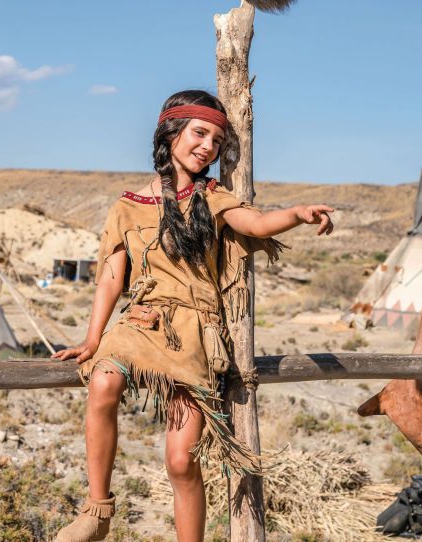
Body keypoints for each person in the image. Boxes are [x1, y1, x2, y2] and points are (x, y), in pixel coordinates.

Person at [51, 89, 334, 542]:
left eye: (217, 142)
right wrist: (91, 338)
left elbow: (257, 224)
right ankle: (97, 510)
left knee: (181, 460)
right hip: (141, 322)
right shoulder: (127, 205)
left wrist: (298, 213)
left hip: (195, 333)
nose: (208, 147)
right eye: (200, 133)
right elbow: (109, 277)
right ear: (170, 133)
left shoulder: (214, 197)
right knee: (103, 381)